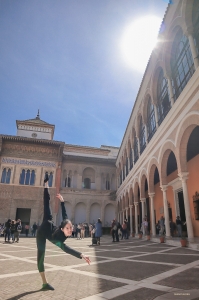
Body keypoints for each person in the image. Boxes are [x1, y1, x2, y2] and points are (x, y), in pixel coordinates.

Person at [36, 174, 91, 291]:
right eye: (68, 228)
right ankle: (44, 283)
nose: (71, 230)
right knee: (40, 258)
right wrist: (46, 185)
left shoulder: (62, 233)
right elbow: (46, 201)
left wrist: (62, 202)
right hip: (42, 232)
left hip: (49, 230)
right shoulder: (57, 237)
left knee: (41, 257)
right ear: (62, 229)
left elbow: (66, 217)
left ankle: (44, 284)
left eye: (71, 228)